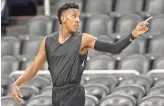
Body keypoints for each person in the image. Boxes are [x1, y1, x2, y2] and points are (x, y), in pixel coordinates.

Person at [12, 2, 153, 106]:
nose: (78, 19)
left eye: (79, 16)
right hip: (56, 94)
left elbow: (114, 48)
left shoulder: (84, 39)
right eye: (74, 16)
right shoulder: (47, 41)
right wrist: (17, 83)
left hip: (74, 93)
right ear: (63, 19)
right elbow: (34, 68)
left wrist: (133, 34)